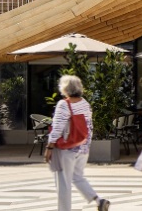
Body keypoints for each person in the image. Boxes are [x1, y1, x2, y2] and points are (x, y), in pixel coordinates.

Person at [44, 74, 111, 211]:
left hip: (66, 149)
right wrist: (86, 145)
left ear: (65, 89)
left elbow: (57, 128)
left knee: (63, 183)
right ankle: (99, 201)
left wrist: (49, 146)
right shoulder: (85, 103)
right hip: (82, 147)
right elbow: (89, 126)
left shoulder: (64, 104)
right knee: (77, 177)